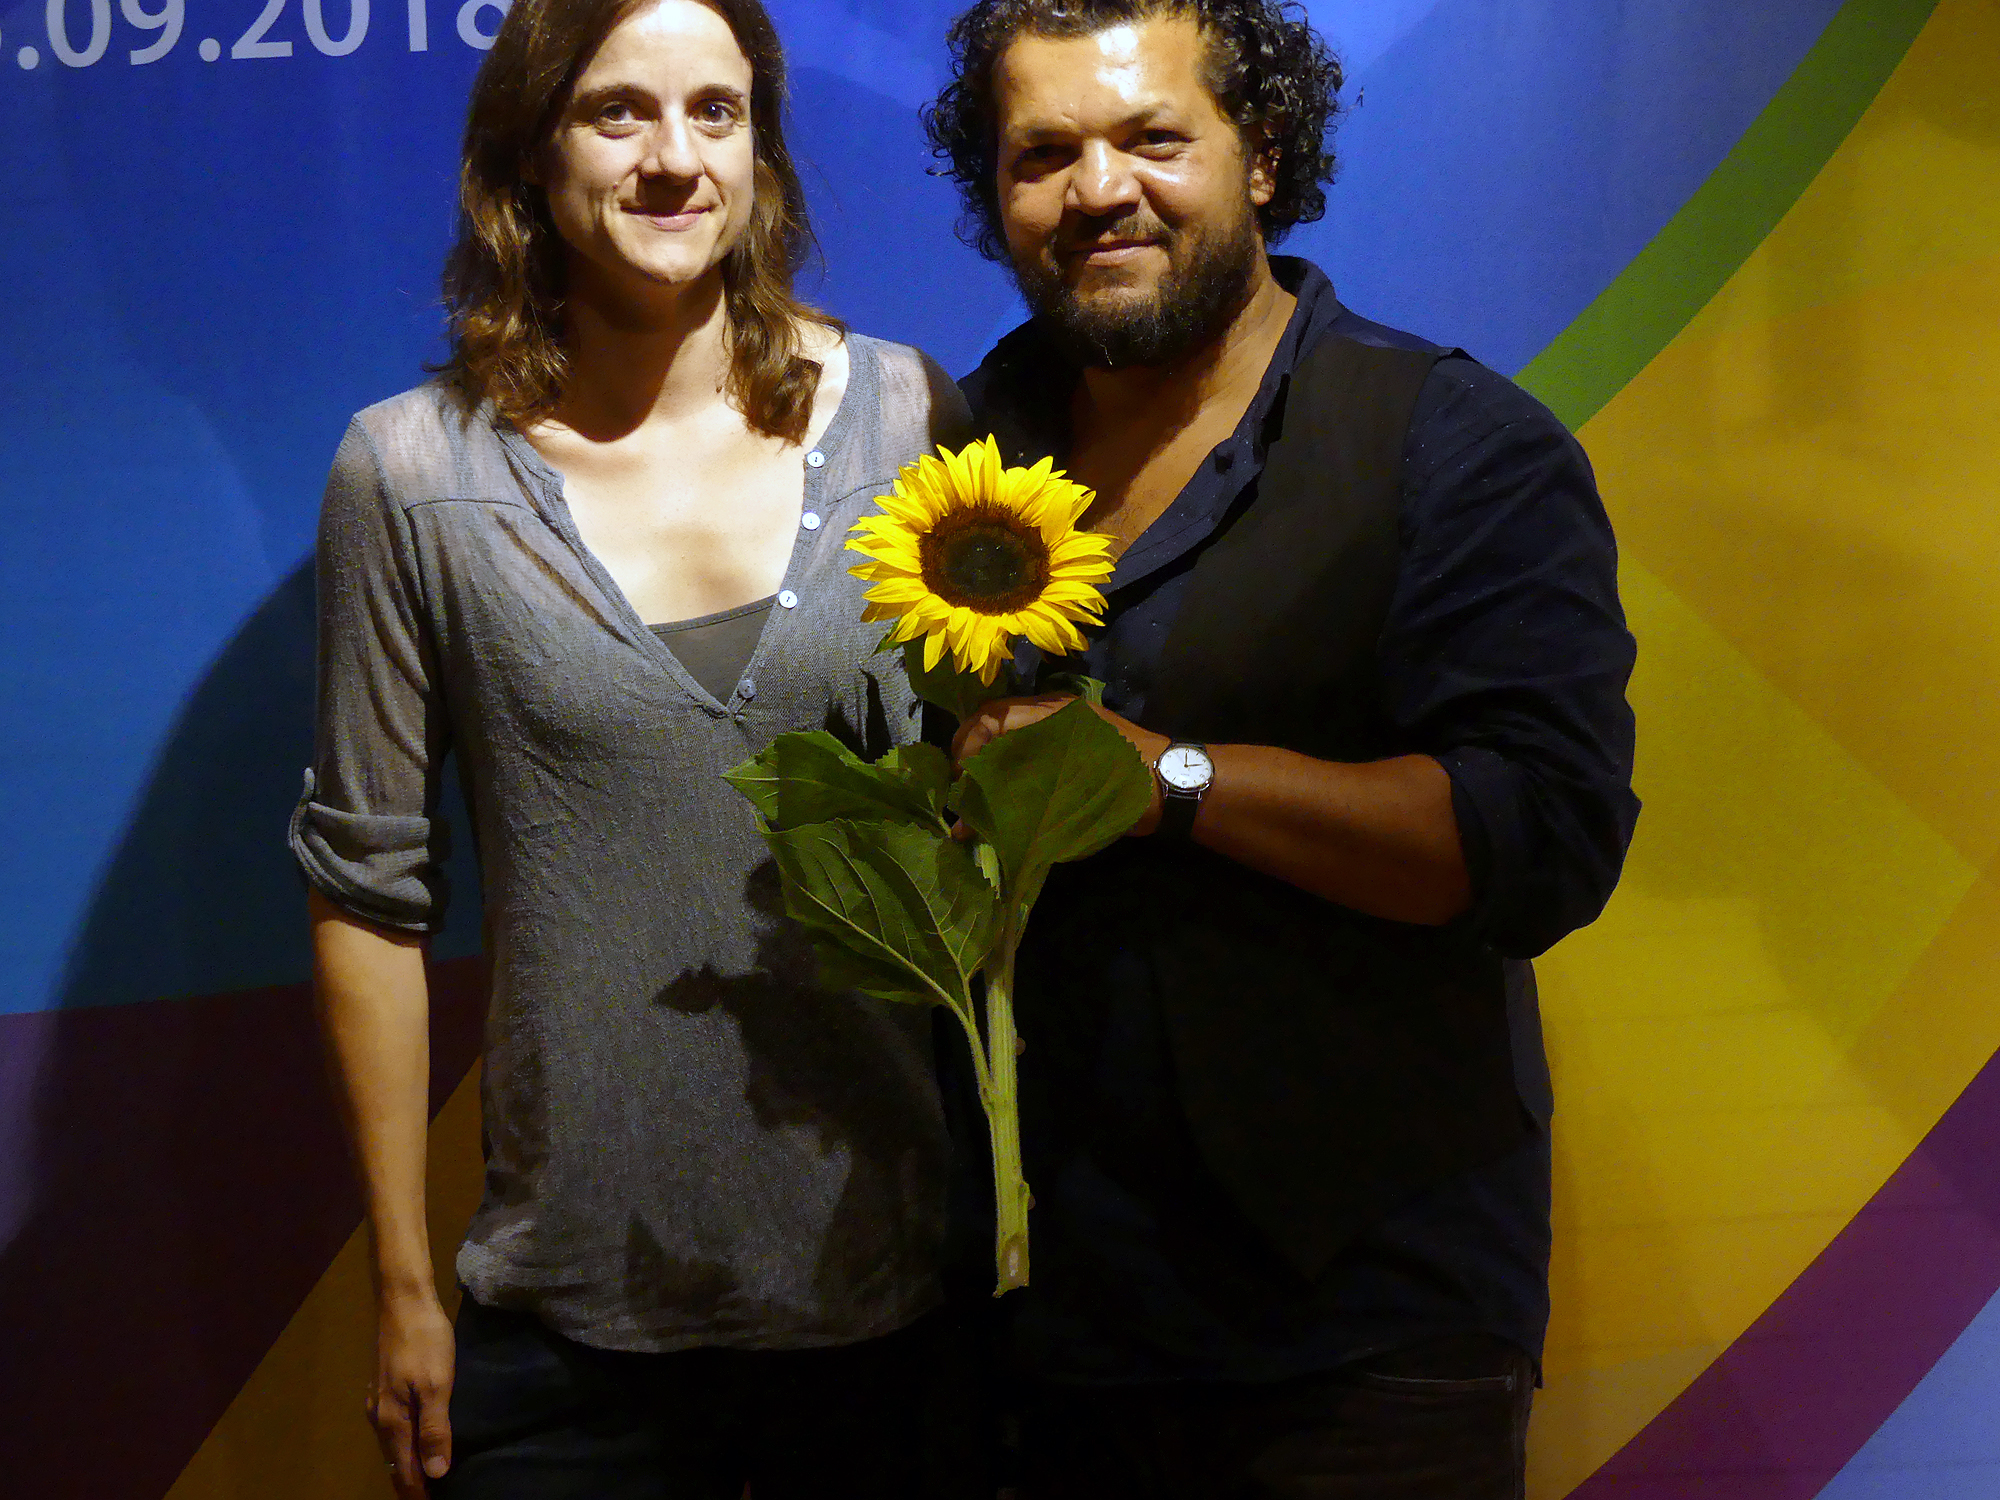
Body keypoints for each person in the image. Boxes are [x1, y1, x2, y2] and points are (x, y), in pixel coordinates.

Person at [923, 1, 1639, 1494]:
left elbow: (1544, 836)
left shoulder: (1456, 440)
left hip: (1361, 1336)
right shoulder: (953, 453)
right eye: (1042, 154)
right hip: (1032, 1332)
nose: (1098, 189)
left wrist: (1166, 781)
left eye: (1153, 138)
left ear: (1262, 156)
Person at [291, 0, 973, 1494]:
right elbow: (367, 896)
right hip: (567, 1336)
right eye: (619, 113)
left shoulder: (911, 419)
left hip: (890, 1313)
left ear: (762, 154)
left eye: (715, 112)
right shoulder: (409, 473)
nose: (675, 159)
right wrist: (403, 1282)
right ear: (530, 159)